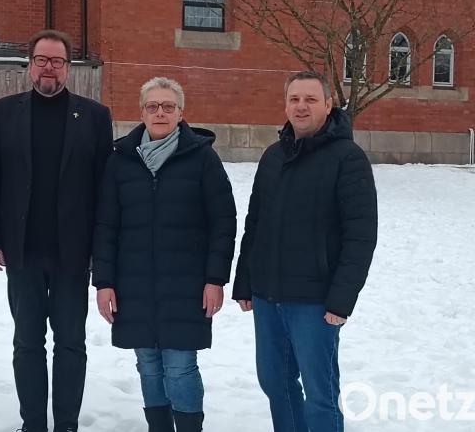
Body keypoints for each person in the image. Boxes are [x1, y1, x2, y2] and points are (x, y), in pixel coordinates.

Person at [0, 29, 114, 432]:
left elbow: (105, 188)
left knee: (71, 343)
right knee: (27, 343)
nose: (48, 68)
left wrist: (101, 250)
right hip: (23, 251)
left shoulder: (94, 116)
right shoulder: (5, 111)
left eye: (57, 61)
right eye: (41, 60)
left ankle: (66, 423)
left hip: (74, 252)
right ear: (30, 65)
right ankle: (33, 422)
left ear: (68, 68)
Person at [232, 71, 378, 432]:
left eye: (311, 99)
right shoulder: (272, 156)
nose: (301, 106)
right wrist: (245, 280)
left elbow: (361, 236)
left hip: (315, 302)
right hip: (268, 297)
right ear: (285, 104)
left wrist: (341, 300)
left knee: (320, 392)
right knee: (275, 383)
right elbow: (255, 223)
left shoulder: (348, 158)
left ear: (329, 105)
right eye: (295, 99)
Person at [92, 77, 236, 432]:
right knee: (148, 364)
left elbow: (223, 223)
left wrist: (215, 279)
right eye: (153, 106)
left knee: (180, 365)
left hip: (187, 286)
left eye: (168, 106)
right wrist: (104, 283)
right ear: (141, 112)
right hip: (134, 284)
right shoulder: (121, 161)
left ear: (181, 112)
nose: (160, 112)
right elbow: (105, 226)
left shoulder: (202, 158)